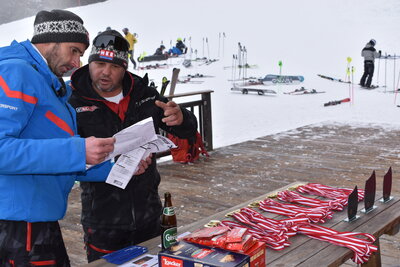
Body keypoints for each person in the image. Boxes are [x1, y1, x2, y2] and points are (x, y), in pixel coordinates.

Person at [68, 30, 198, 262]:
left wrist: (181, 118)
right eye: (99, 63)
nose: (106, 72)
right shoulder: (72, 100)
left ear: (125, 68)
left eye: (115, 66)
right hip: (102, 220)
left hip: (149, 214)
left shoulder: (144, 93)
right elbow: (67, 156)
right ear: (89, 63)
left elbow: (186, 130)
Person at [0, 9, 116, 266]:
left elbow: (53, 156)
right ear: (50, 40)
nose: (77, 63)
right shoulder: (16, 73)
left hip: (37, 218)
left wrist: (114, 167)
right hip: (18, 225)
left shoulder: (46, 82)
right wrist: (77, 151)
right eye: (74, 50)